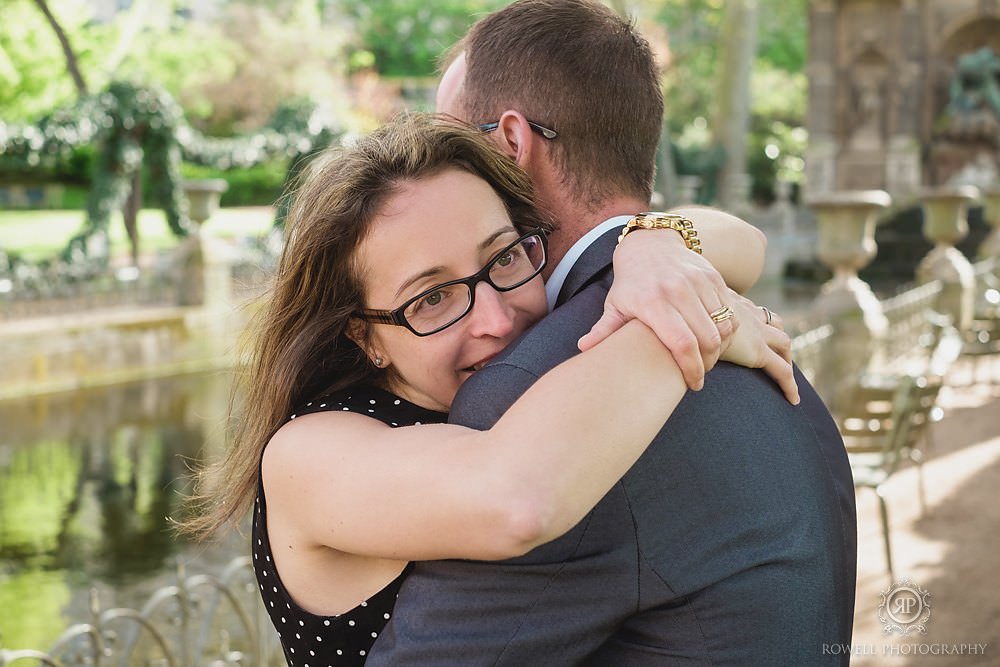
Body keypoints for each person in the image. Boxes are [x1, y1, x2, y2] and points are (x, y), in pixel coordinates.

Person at [182, 113, 795, 665]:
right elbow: (515, 500)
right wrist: (703, 323)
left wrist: (654, 248)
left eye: (502, 258)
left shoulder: (530, 331)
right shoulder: (307, 455)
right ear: (362, 335)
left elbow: (747, 244)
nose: (496, 320)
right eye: (432, 297)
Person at [367, 2, 857, 665]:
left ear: (511, 144)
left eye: (450, 144)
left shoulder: (530, 394)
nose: (427, 167)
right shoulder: (744, 324)